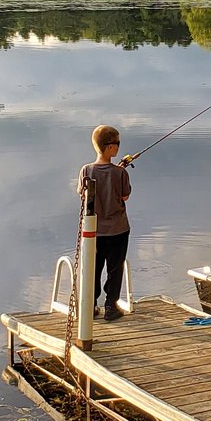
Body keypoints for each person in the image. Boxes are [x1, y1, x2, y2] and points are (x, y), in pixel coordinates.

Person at [76, 124, 132, 321]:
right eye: (117, 143)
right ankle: (111, 306)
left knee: (93, 268)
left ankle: (90, 306)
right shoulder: (121, 173)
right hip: (118, 230)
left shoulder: (86, 170)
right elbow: (125, 196)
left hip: (94, 232)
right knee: (115, 269)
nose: (118, 147)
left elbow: (82, 195)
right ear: (110, 147)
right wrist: (119, 171)